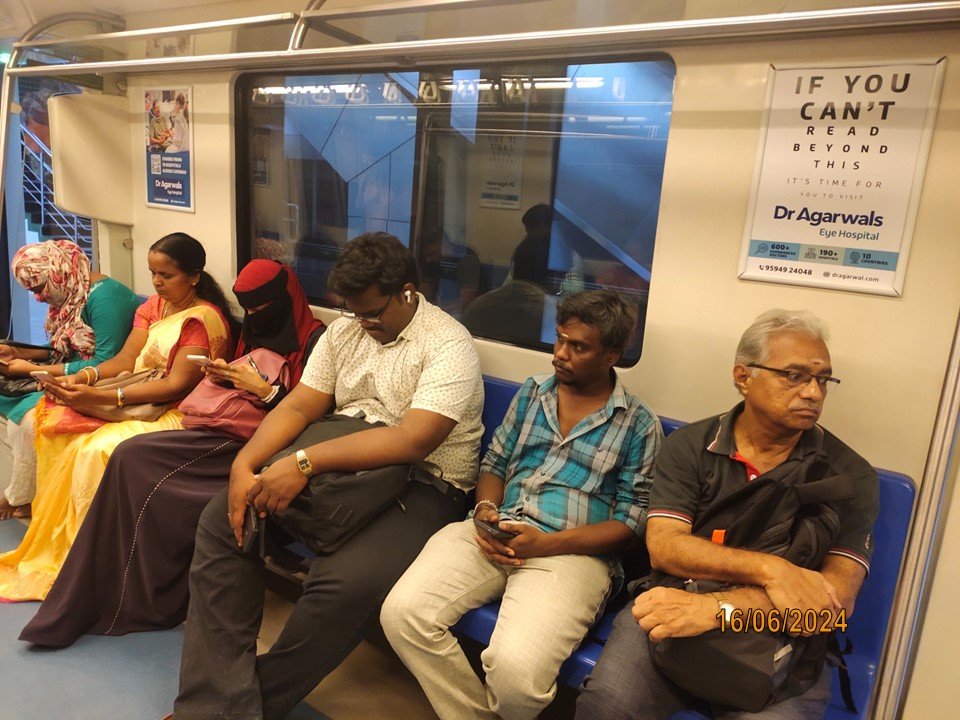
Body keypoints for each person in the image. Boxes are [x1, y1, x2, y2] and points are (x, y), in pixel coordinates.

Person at [167, 232, 483, 720]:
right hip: (344, 460)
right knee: (223, 520)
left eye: (372, 313)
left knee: (346, 584)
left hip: (424, 482)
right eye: (354, 312)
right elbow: (300, 405)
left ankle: (241, 707)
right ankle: (216, 705)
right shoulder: (345, 331)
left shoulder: (448, 344)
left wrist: (302, 463)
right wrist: (244, 466)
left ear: (407, 292)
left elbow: (413, 440)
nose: (363, 323)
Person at [574, 309, 879, 720]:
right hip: (674, 604)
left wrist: (720, 610)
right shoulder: (691, 447)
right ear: (743, 376)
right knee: (606, 707)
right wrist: (774, 571)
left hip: (780, 643)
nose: (813, 393)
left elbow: (832, 602)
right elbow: (665, 547)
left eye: (823, 380)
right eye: (794, 376)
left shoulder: (849, 475)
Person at [382, 289, 662, 720]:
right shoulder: (533, 393)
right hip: (497, 530)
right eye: (560, 339)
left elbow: (632, 524)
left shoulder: (638, 424)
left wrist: (545, 545)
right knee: (402, 615)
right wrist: (485, 510)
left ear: (612, 355)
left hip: (572, 553)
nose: (560, 354)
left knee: (515, 677)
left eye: (578, 347)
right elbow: (495, 463)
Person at [19, 260, 325, 647]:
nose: (254, 316)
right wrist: (224, 376)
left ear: (285, 299)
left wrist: (264, 391)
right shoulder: (254, 325)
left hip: (263, 445)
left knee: (157, 485)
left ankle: (147, 600)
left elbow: (310, 413)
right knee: (128, 455)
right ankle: (92, 586)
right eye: (248, 309)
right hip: (224, 426)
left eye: (262, 308)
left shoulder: (316, 341)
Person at [0, 232, 232, 601]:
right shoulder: (154, 307)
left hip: (175, 412)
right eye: (152, 273)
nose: (156, 282)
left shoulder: (202, 319)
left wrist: (104, 396)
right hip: (136, 395)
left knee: (94, 451)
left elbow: (175, 386)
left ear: (193, 277)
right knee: (60, 432)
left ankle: (100, 565)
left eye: (166, 275)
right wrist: (83, 378)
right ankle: (73, 555)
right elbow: (125, 360)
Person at [0, 240, 140, 520]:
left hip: (102, 380)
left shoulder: (105, 299)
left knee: (27, 422)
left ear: (58, 272)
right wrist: (19, 353)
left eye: (39, 289)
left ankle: (20, 494)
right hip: (74, 372)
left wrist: (28, 369)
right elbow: (65, 350)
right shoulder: (71, 294)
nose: (38, 298)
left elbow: (105, 362)